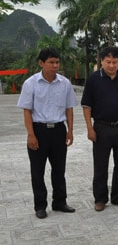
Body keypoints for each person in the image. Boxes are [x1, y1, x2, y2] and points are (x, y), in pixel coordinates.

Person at [17, 48, 77, 219]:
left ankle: (59, 202)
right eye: (51, 62)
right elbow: (27, 111)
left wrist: (70, 130)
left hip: (58, 130)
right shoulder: (31, 83)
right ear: (41, 63)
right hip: (39, 131)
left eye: (57, 62)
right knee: (37, 171)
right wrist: (31, 134)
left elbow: (69, 109)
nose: (55, 65)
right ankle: (40, 206)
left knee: (59, 170)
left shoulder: (65, 83)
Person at [81, 46, 118, 211]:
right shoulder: (93, 79)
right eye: (108, 62)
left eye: (115, 62)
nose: (111, 65)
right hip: (101, 128)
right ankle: (100, 199)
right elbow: (86, 106)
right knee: (101, 165)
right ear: (102, 61)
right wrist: (90, 129)